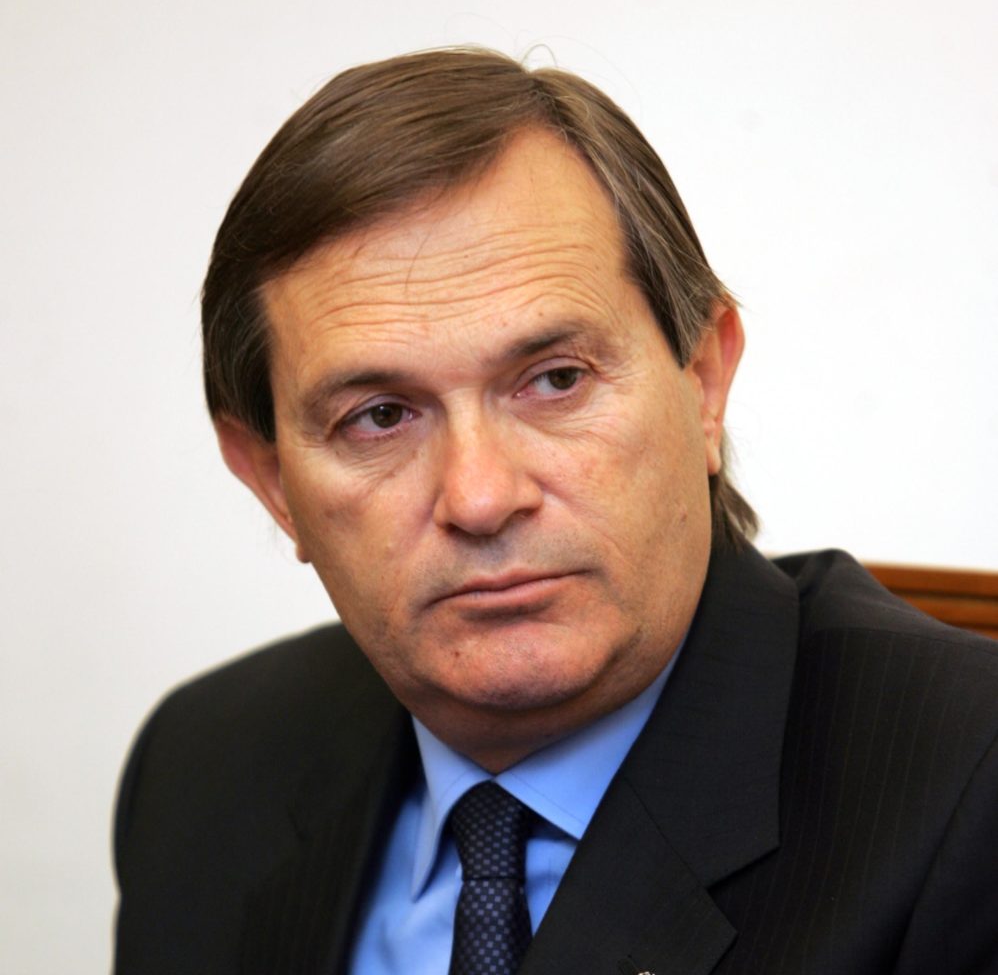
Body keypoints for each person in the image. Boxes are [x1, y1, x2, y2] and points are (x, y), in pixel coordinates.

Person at [113, 48, 998, 975]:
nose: (481, 498)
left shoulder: (968, 792)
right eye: (380, 417)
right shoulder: (201, 770)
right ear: (270, 480)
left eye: (556, 380)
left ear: (703, 381)